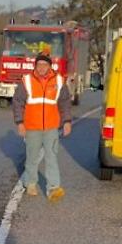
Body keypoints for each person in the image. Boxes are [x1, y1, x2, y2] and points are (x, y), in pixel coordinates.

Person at [12, 52, 73, 201]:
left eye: (44, 64)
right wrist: (20, 123)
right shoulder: (27, 81)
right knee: (32, 157)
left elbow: (64, 103)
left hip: (51, 127)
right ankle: (31, 183)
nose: (41, 67)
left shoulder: (59, 81)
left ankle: (53, 188)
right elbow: (18, 103)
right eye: (39, 64)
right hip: (32, 126)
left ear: (49, 66)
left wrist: (67, 122)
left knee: (52, 156)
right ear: (35, 65)